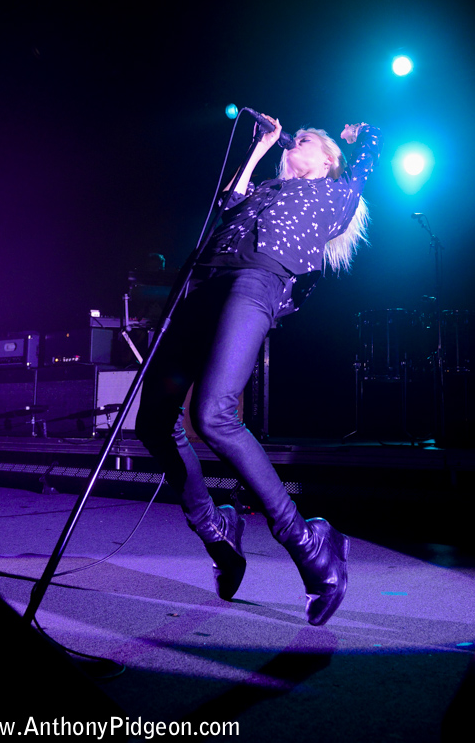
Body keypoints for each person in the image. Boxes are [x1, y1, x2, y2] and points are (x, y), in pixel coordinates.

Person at [136, 116, 382, 625]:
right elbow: (227, 204)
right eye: (292, 143)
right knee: (152, 422)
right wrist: (260, 149)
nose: (295, 145)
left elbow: (369, 160)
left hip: (258, 281)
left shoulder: (336, 194)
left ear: (329, 160)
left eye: (305, 142)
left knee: (214, 415)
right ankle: (214, 527)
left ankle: (307, 542)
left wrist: (366, 135)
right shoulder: (267, 187)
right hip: (202, 284)